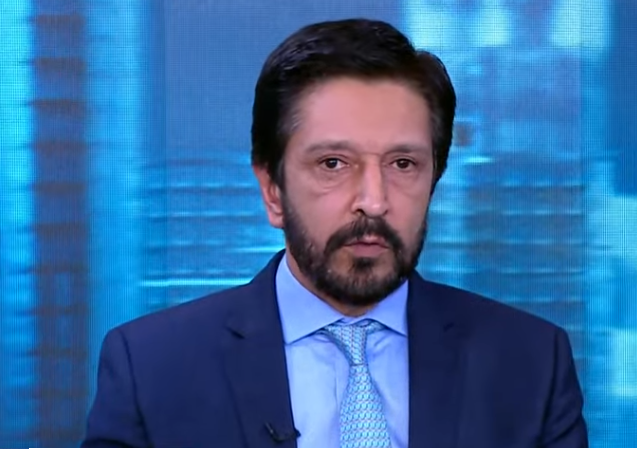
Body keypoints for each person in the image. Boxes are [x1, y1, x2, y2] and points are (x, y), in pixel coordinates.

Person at [82, 18, 588, 448]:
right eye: (333, 163)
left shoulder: (531, 364)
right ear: (273, 190)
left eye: (403, 163)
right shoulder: (152, 368)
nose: (374, 200)